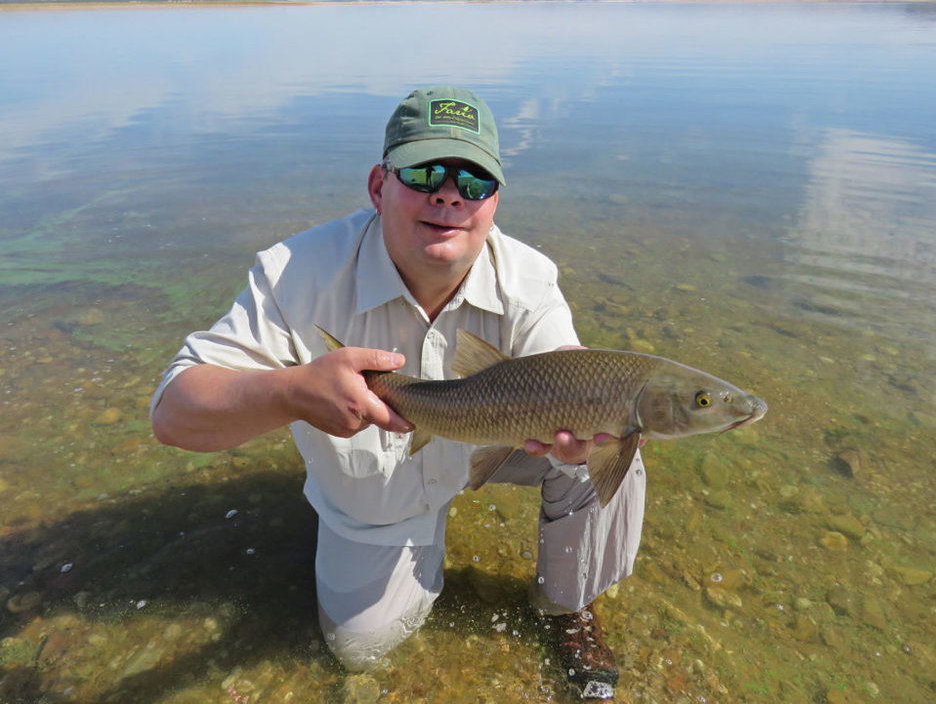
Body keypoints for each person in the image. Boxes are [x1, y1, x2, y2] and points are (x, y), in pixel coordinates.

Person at [151, 86, 645, 700]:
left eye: (473, 182)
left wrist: (581, 420)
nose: (447, 194)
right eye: (424, 172)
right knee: (361, 650)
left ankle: (567, 603)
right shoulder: (294, 274)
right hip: (377, 496)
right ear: (379, 187)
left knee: (618, 436)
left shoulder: (530, 278)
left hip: (490, 440)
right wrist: (291, 392)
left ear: (494, 203)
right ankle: (398, 538)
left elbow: (568, 364)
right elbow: (174, 413)